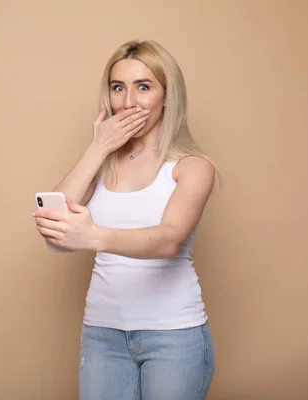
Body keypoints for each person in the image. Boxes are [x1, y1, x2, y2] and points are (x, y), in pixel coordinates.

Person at [33, 39, 219, 400]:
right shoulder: (102, 164)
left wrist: (94, 236)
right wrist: (98, 147)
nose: (129, 102)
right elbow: (53, 226)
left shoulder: (193, 167)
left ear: (168, 97)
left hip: (174, 336)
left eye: (144, 87)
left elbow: (168, 240)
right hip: (103, 335)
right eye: (118, 88)